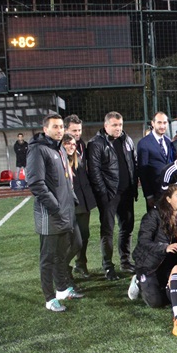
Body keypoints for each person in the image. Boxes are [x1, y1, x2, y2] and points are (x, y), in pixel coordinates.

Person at [26, 114, 83, 312]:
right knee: (48, 258)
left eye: (61, 127)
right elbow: (36, 183)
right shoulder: (38, 150)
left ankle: (62, 289)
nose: (59, 130)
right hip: (50, 215)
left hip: (65, 212)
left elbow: (66, 180)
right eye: (55, 127)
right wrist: (55, 207)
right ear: (45, 129)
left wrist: (72, 200)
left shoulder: (58, 149)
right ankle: (49, 299)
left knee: (61, 255)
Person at [87, 111, 138, 280]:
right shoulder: (96, 143)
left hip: (127, 193)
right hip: (109, 195)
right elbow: (94, 171)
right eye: (114, 125)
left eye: (120, 124)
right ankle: (108, 266)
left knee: (127, 228)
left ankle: (125, 261)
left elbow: (133, 164)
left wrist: (133, 188)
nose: (118, 128)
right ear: (106, 125)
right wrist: (104, 193)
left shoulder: (127, 140)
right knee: (107, 230)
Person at [128, 184, 177, 307]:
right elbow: (143, 241)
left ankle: (162, 284)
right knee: (156, 302)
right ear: (168, 199)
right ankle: (139, 280)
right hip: (150, 264)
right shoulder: (153, 215)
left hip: (171, 262)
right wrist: (165, 247)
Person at [63, 115, 96, 278]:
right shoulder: (60, 149)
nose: (77, 133)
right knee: (72, 239)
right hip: (69, 201)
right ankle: (63, 268)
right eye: (74, 130)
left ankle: (80, 264)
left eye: (79, 130)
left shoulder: (81, 145)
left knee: (84, 235)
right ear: (65, 130)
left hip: (83, 199)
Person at [137, 111, 176, 209]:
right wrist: (148, 195)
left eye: (165, 123)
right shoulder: (144, 143)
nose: (162, 126)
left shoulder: (168, 141)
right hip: (155, 192)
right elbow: (142, 171)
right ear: (153, 123)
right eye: (159, 122)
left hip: (170, 191)